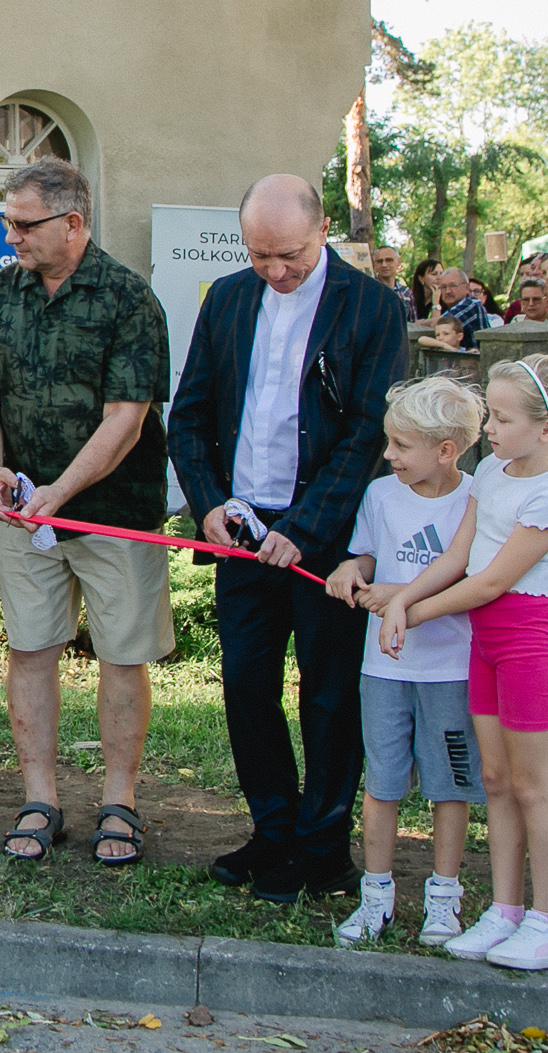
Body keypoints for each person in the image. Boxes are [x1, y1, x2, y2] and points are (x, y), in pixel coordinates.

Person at [167, 174, 406, 902]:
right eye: (260, 254)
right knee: (246, 682)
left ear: (324, 227)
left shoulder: (371, 307)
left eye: (290, 255)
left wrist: (304, 530)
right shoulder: (229, 299)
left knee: (328, 692)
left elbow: (369, 433)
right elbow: (189, 415)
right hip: (240, 529)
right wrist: (208, 504)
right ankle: (272, 828)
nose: (275, 270)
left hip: (327, 536)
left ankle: (323, 843)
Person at [0, 162, 174, 867]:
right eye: (7, 222)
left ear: (73, 223)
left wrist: (66, 489)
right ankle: (40, 799)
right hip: (26, 515)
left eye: (25, 224)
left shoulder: (128, 299)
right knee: (29, 647)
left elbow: (126, 419)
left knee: (121, 654)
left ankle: (120, 801)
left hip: (115, 510)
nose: (12, 235)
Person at [378, 355, 548, 970]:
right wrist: (402, 597)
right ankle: (504, 911)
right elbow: (456, 558)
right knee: (496, 783)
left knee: (533, 786)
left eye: (501, 418)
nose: (490, 429)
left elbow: (490, 583)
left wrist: (407, 615)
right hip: (487, 646)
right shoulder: (493, 473)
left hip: (528, 644)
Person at [323, 377, 484, 949]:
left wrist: (397, 593)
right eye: (388, 443)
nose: (388, 455)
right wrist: (351, 568)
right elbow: (367, 551)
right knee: (383, 782)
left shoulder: (475, 501)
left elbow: (468, 576)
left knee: (449, 787)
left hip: (451, 670)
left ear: (445, 449)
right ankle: (377, 896)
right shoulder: (379, 495)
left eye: (400, 445)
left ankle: (444, 898)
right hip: (384, 670)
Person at [428, 268, 494, 342]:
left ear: (467, 287)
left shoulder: (472, 305)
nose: (448, 291)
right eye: (443, 287)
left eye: (453, 285)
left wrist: (435, 305)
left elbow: (439, 325)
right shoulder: (448, 308)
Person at [372, 247, 416, 320]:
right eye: (380, 261)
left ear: (398, 261)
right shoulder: (367, 291)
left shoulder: (406, 293)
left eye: (389, 260)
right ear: (374, 264)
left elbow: (414, 324)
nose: (384, 265)